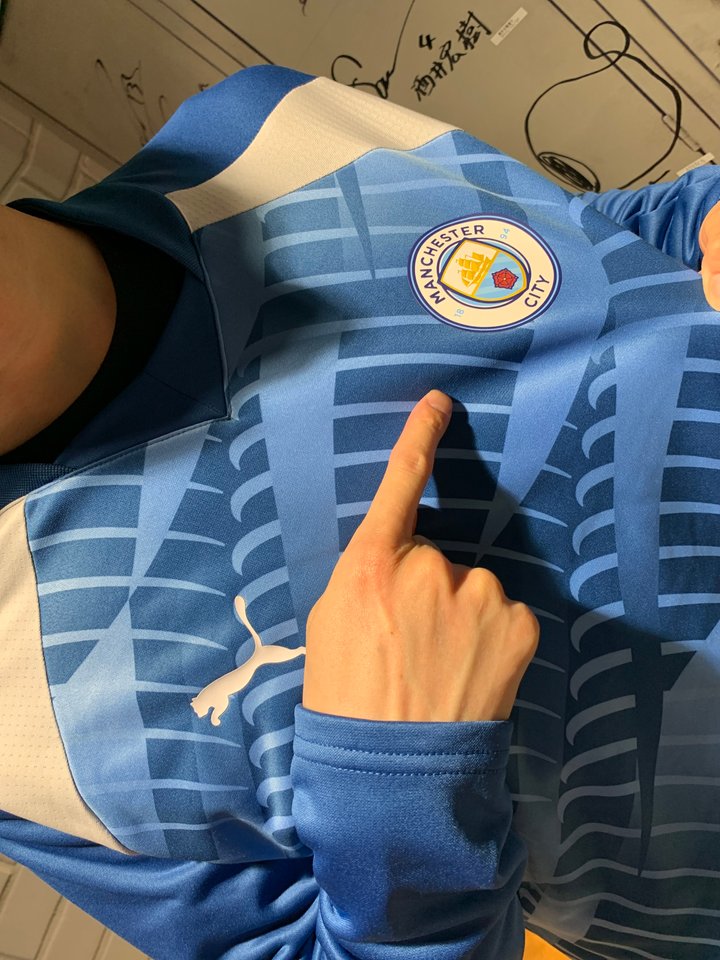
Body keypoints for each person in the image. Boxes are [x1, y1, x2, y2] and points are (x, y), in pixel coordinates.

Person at [1, 63, 719, 960]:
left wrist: (700, 214)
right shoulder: (18, 748)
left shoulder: (254, 121)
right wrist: (400, 791)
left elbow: (602, 240)